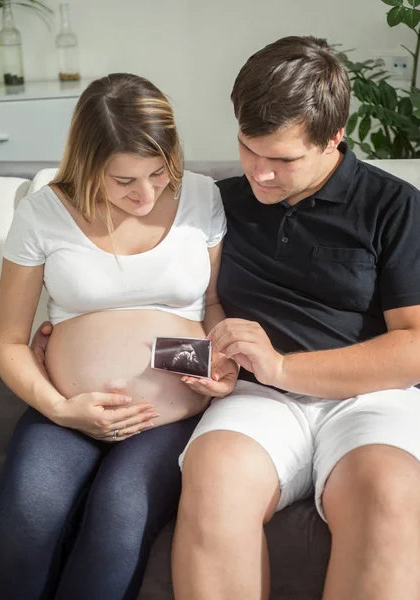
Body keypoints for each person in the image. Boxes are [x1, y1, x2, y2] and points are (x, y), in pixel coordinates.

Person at [171, 37, 420, 600]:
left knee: (391, 492)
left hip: (370, 398)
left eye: (282, 160)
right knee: (212, 477)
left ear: (334, 137)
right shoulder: (218, 202)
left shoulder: (395, 207)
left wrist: (283, 367)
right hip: (255, 400)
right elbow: (168, 304)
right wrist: (78, 337)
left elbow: (414, 347)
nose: (259, 174)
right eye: (247, 149)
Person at [0, 73, 238, 600]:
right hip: (68, 408)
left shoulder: (200, 195)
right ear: (85, 164)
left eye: (157, 172)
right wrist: (59, 408)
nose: (146, 194)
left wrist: (220, 364)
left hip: (171, 413)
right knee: (27, 516)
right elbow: (8, 339)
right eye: (124, 181)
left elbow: (212, 306)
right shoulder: (43, 214)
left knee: (121, 511)